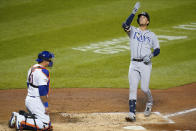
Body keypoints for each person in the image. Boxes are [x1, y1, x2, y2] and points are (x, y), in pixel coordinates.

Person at [122, 2, 160, 122]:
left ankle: (149, 101)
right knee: (133, 88)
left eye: (144, 17)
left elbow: (158, 49)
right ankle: (132, 114)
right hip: (133, 64)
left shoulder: (152, 35)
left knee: (144, 88)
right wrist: (133, 12)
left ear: (148, 21)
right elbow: (125, 25)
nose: (141, 18)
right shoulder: (133, 31)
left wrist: (151, 55)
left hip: (145, 65)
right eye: (140, 17)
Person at [8, 51, 54, 130]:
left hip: (29, 99)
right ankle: (20, 120)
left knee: (47, 122)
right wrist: (45, 105)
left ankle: (16, 115)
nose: (51, 61)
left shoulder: (32, 68)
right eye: (49, 59)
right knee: (45, 125)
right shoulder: (43, 72)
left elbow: (28, 84)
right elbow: (42, 90)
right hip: (37, 102)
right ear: (45, 60)